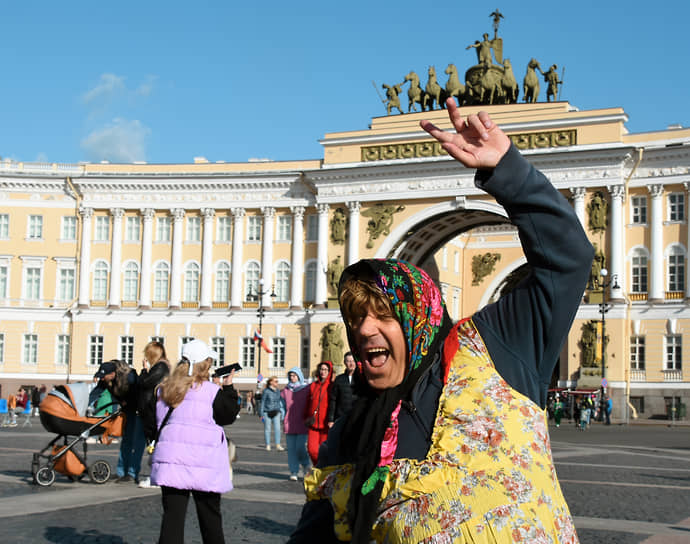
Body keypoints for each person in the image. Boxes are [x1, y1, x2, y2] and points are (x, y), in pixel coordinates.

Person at [290, 100, 592, 543]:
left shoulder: (495, 348)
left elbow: (567, 262)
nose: (364, 330)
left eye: (384, 316)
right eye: (355, 320)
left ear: (418, 316)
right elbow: (318, 532)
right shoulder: (354, 429)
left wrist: (507, 172)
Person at [151, 338, 239, 544]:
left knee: (172, 520)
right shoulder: (212, 392)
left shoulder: (166, 389)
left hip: (172, 460)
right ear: (204, 364)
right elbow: (228, 415)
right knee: (211, 520)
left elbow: (154, 421)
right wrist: (229, 388)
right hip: (205, 463)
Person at [93, 359, 144, 483]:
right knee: (126, 440)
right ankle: (121, 472)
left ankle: (132, 473)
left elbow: (139, 392)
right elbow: (95, 393)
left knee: (137, 443)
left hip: (140, 410)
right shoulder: (108, 380)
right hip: (128, 410)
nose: (102, 379)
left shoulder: (129, 377)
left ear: (112, 374)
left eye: (103, 376)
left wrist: (128, 402)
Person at [137, 341, 170, 488]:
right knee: (153, 443)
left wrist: (144, 370)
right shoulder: (161, 366)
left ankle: (157, 477)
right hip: (151, 409)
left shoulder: (160, 367)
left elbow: (144, 383)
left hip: (153, 410)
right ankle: (156, 475)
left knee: (155, 444)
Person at [281, 367, 311, 481]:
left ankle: (305, 465)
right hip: (289, 423)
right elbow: (282, 406)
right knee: (291, 450)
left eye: (294, 375)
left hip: (302, 423)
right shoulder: (285, 391)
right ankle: (293, 471)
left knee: (300, 447)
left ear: (299, 376)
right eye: (291, 376)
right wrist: (283, 417)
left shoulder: (306, 389)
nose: (292, 378)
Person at [304, 361, 334, 464]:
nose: (323, 372)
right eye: (321, 369)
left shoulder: (332, 386)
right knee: (312, 450)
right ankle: (318, 467)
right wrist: (305, 417)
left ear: (329, 372)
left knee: (324, 451)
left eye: (325, 370)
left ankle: (322, 471)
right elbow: (307, 402)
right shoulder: (313, 385)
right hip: (313, 423)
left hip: (326, 425)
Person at [327, 352, 360, 428]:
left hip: (357, 416)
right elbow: (333, 400)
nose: (351, 364)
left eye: (352, 361)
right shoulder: (339, 379)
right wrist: (331, 419)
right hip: (341, 416)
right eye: (348, 361)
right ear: (345, 363)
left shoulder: (362, 378)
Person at [259, 376, 285, 451]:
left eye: (277, 381)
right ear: (271, 382)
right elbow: (262, 402)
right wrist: (261, 414)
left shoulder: (278, 391)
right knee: (267, 429)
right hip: (267, 412)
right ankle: (268, 445)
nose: (277, 383)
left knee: (278, 429)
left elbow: (280, 401)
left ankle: (278, 444)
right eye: (275, 381)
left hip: (276, 411)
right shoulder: (266, 391)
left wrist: (281, 410)